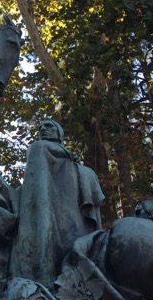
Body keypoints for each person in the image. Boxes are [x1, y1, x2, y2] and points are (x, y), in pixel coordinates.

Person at [7, 119, 105, 288]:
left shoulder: (81, 170)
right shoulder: (39, 153)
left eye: (49, 126)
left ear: (60, 134)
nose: (43, 129)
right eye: (40, 127)